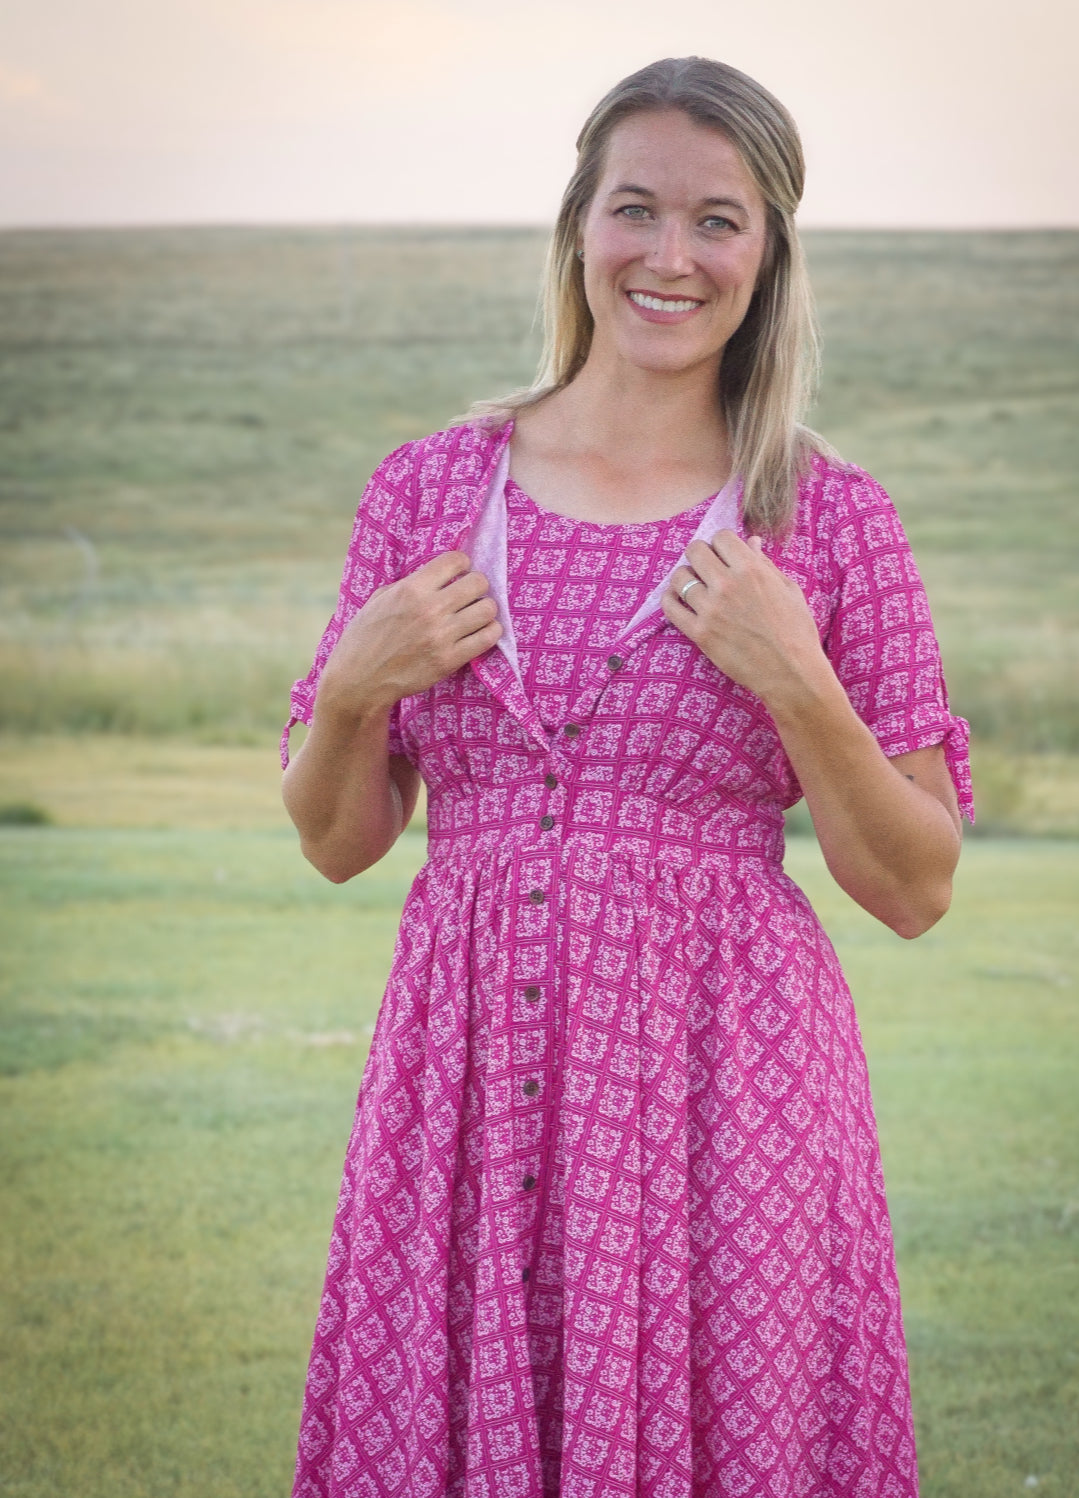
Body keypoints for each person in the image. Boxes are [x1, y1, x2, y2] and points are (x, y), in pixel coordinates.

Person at [280, 55, 972, 1498]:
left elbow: (914, 882)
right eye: (635, 209)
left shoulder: (826, 519)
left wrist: (798, 676)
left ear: (769, 249)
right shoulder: (428, 492)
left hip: (730, 1099)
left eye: (717, 220)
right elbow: (338, 840)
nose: (671, 257)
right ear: (578, 227)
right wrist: (354, 685)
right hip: (463, 1085)